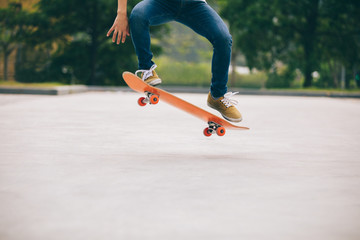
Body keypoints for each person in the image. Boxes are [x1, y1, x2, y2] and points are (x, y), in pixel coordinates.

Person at [107, 0, 242, 122]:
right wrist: (121, 13)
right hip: (161, 3)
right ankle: (147, 70)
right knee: (138, 15)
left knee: (223, 39)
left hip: (195, 5)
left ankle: (217, 96)